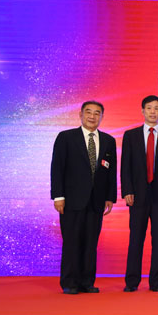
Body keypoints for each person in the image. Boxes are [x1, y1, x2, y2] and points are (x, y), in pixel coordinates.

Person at [50, 101, 117, 294]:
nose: (92, 116)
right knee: (72, 241)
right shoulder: (66, 137)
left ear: (102, 117)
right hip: (71, 199)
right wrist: (58, 196)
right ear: (80, 114)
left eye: (97, 113)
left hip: (97, 200)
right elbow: (57, 168)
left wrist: (110, 197)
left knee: (90, 243)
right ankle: (70, 283)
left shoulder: (108, 140)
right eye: (88, 112)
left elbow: (111, 171)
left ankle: (87, 282)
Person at [121, 95, 158, 293]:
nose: (153, 112)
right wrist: (127, 190)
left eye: (156, 108)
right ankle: (132, 281)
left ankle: (156, 282)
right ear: (142, 111)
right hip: (137, 195)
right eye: (149, 108)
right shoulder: (131, 135)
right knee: (136, 239)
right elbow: (125, 166)